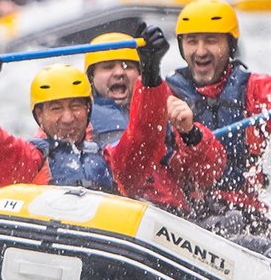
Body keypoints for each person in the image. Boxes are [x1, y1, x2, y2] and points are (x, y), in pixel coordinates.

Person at [0, 27, 176, 194]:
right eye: (56, 109)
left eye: (75, 107)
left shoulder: (112, 160)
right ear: (38, 116)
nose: (68, 118)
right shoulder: (28, 160)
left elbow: (145, 135)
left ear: (89, 109)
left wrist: (151, 74)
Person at [162, 0, 271, 228]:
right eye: (192, 41)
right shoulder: (166, 93)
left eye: (211, 41)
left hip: (243, 211)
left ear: (230, 46)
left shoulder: (255, 89)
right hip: (185, 212)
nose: (201, 51)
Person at [80, 32, 227, 213]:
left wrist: (190, 133)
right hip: (119, 208)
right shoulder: (76, 120)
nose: (119, 73)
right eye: (108, 67)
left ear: (140, 74)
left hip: (173, 213)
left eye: (128, 67)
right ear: (91, 78)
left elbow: (210, 174)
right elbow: (131, 162)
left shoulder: (168, 105)